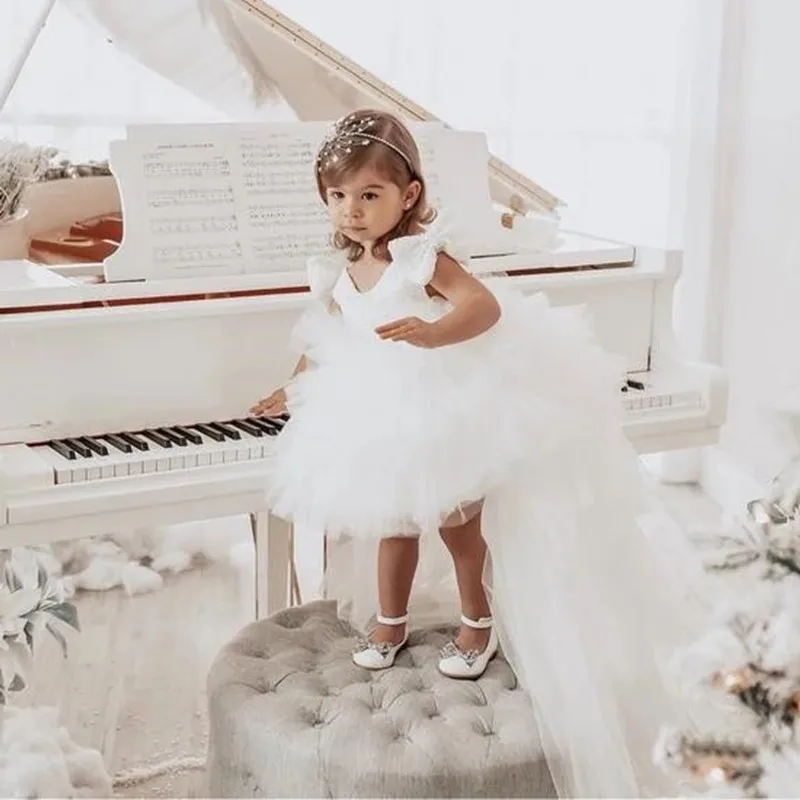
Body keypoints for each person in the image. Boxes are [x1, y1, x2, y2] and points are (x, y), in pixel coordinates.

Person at [251, 109, 702, 797]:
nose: (352, 211)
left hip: (438, 404)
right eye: (338, 197)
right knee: (392, 523)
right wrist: (294, 386)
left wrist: (433, 336)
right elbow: (335, 342)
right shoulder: (341, 269)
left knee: (459, 523)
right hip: (375, 414)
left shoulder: (419, 257)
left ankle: (477, 619)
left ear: (407, 195)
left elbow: (481, 307)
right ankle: (390, 622)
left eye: (369, 196)